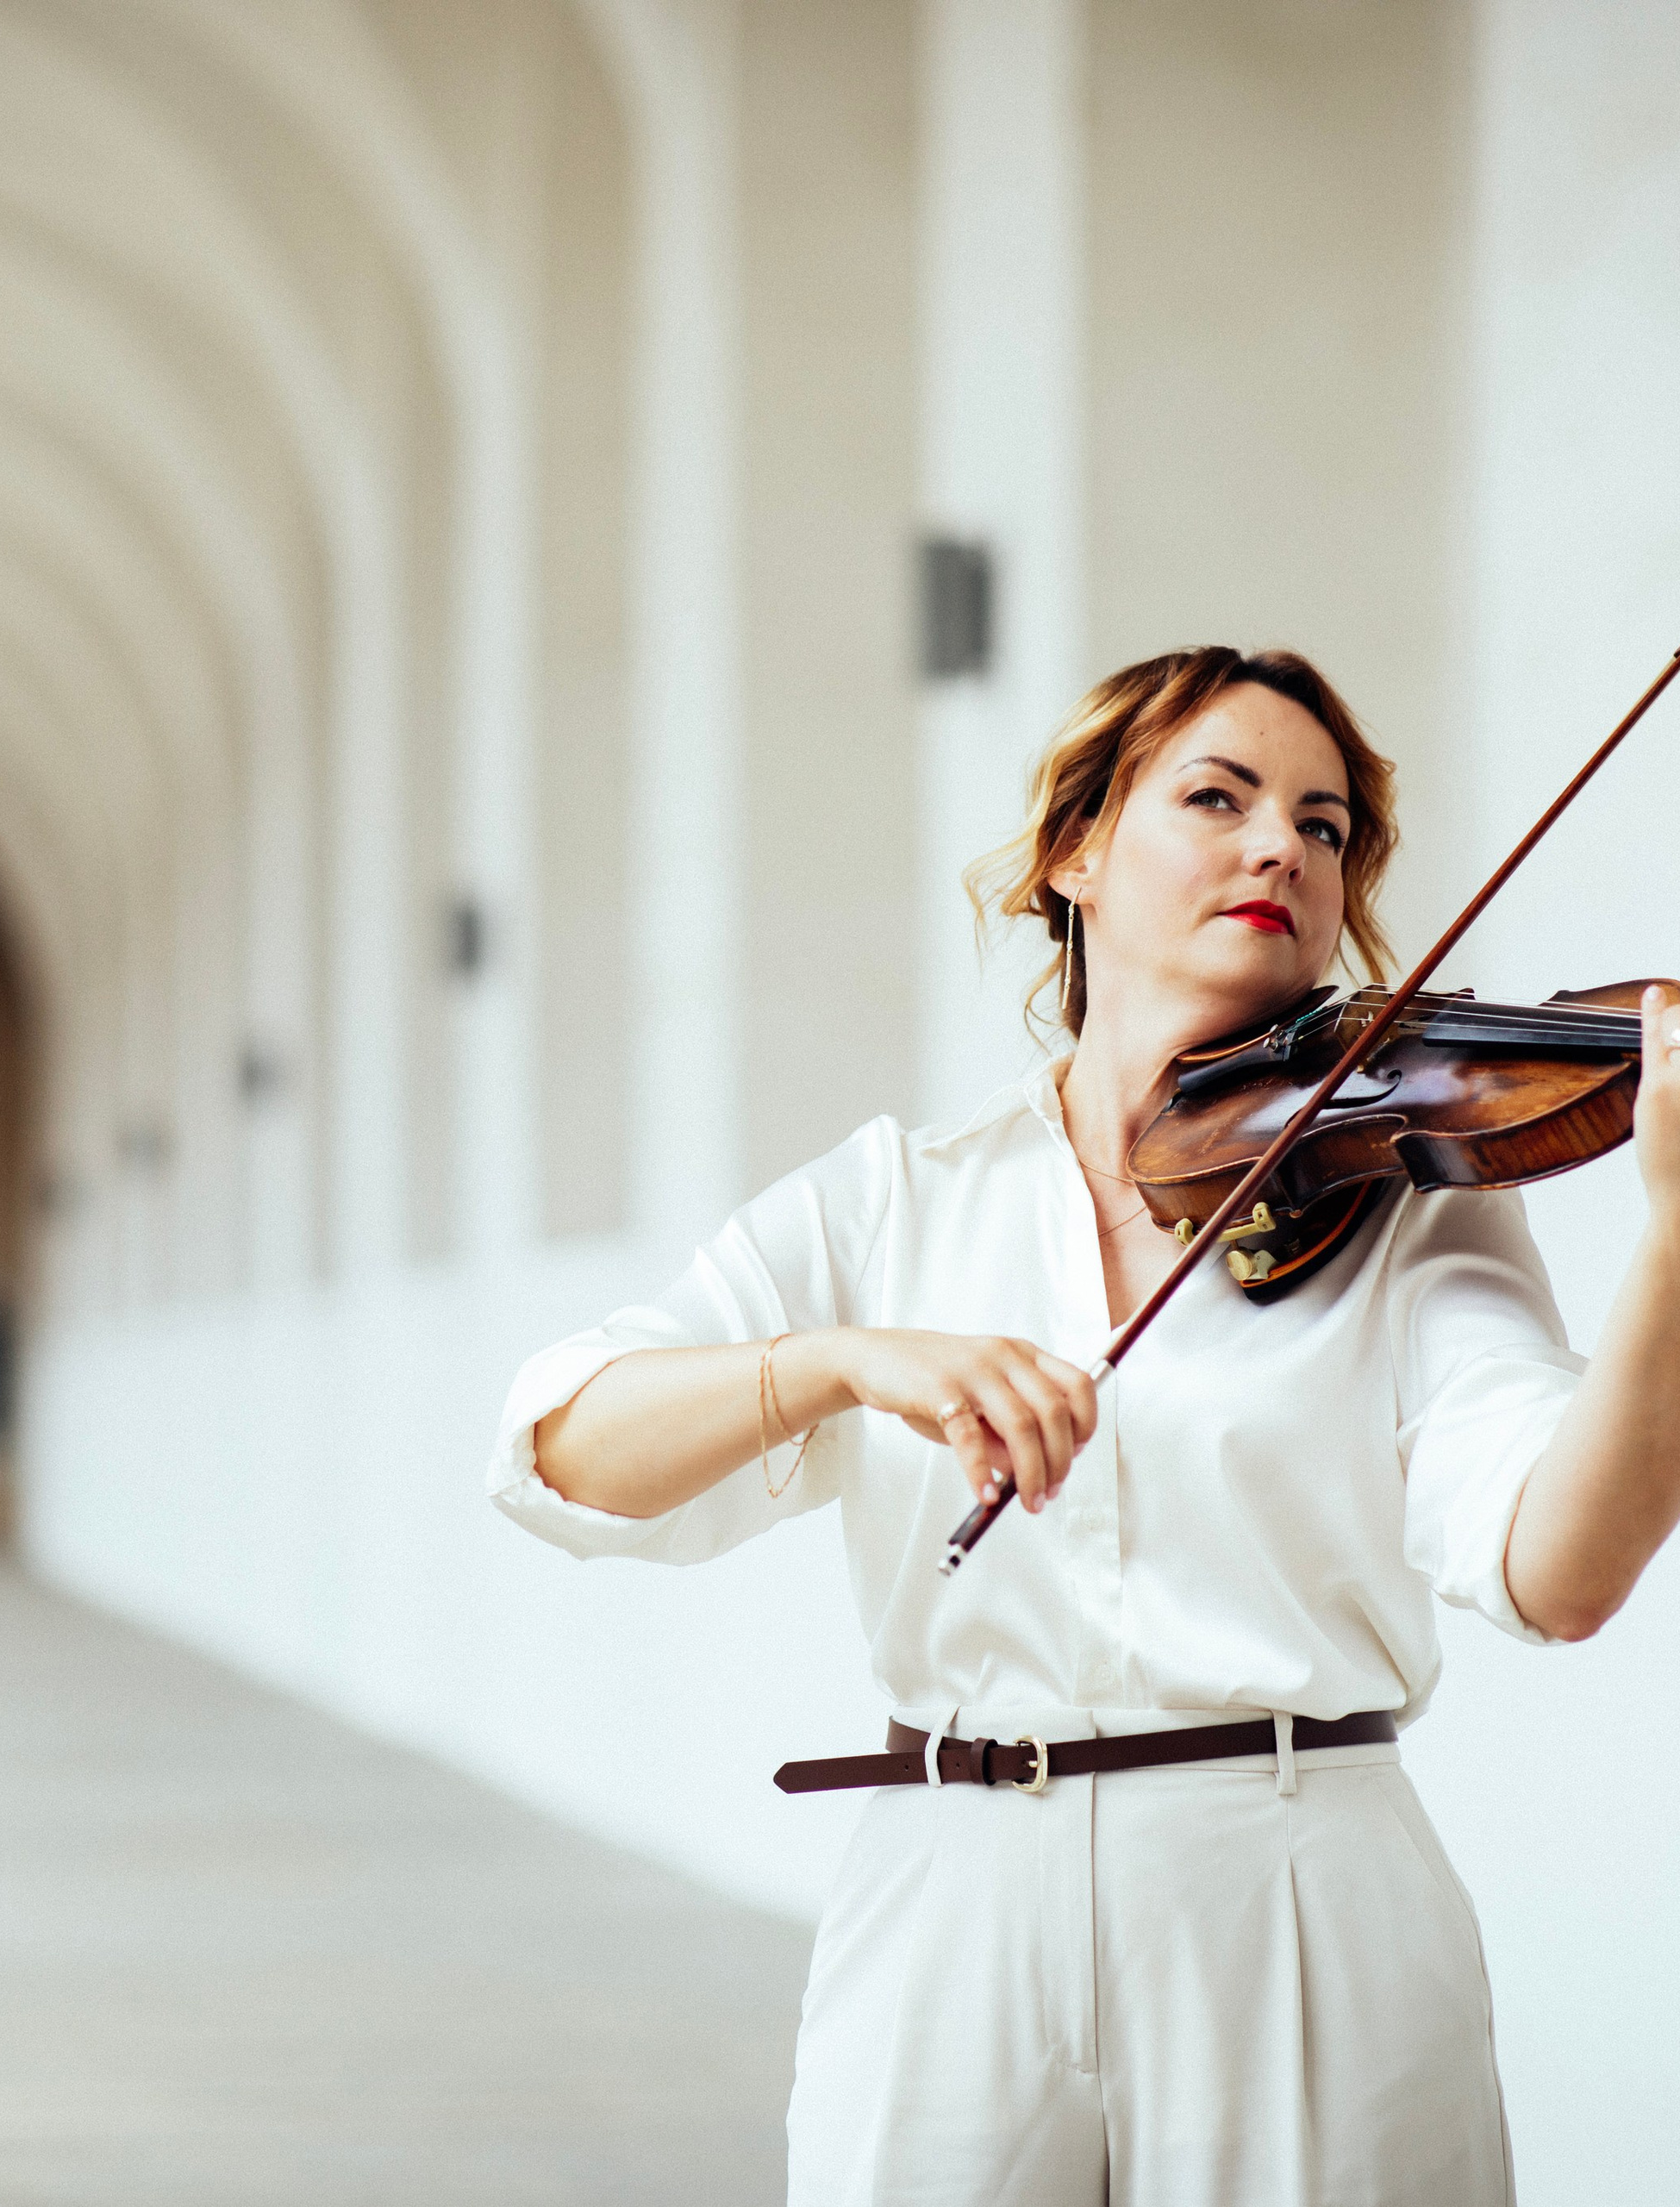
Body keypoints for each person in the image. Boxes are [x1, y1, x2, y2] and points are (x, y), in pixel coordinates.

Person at [484, 647, 1680, 2207]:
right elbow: (563, 1445)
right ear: (1077, 853)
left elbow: (1559, 1566)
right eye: (1219, 797)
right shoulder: (903, 1194)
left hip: (1298, 1892)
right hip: (953, 1900)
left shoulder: (1401, 1197)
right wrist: (843, 1361)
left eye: (1324, 828)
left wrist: (1671, 1244)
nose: (1281, 847)